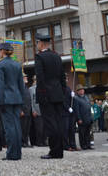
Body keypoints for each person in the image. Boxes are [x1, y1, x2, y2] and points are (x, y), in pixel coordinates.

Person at [34, 30, 66, 159]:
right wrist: (62, 92)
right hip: (58, 94)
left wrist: (42, 95)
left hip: (46, 95)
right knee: (58, 123)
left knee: (50, 124)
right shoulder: (56, 56)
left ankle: (54, 151)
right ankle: (59, 151)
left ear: (41, 43)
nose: (36, 45)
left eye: (37, 42)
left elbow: (40, 79)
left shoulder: (40, 57)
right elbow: (62, 77)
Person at [0, 42, 25, 161]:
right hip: (17, 98)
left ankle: (11, 154)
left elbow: (0, 86)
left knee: (9, 127)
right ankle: (18, 153)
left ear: (2, 51)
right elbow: (21, 85)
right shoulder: (17, 64)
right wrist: (22, 100)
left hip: (6, 99)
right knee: (17, 126)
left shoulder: (1, 65)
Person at [73, 84, 93, 150]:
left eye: (82, 89)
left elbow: (89, 107)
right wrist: (79, 118)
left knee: (88, 133)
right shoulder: (76, 98)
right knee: (82, 133)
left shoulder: (86, 97)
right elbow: (76, 110)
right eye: (80, 90)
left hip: (88, 118)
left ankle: (88, 144)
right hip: (82, 118)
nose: (82, 91)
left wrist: (91, 117)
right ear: (77, 91)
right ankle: (83, 145)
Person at [29, 77, 45, 147]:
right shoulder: (31, 89)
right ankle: (38, 142)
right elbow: (31, 101)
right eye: (36, 80)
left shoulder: (43, 88)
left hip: (43, 111)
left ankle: (43, 141)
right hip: (36, 110)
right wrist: (33, 110)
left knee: (44, 128)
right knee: (39, 128)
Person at [62, 80, 78, 151]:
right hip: (64, 112)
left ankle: (73, 145)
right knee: (66, 129)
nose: (66, 80)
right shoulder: (61, 88)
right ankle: (66, 146)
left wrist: (73, 96)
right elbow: (62, 100)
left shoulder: (68, 88)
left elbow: (71, 100)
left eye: (67, 79)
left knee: (72, 129)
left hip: (71, 112)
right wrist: (68, 108)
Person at [20, 75, 32, 148]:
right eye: (24, 77)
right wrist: (20, 110)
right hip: (23, 111)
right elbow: (19, 99)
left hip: (28, 111)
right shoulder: (20, 88)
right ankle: (22, 142)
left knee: (27, 128)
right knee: (22, 128)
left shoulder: (26, 87)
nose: (26, 78)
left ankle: (26, 142)